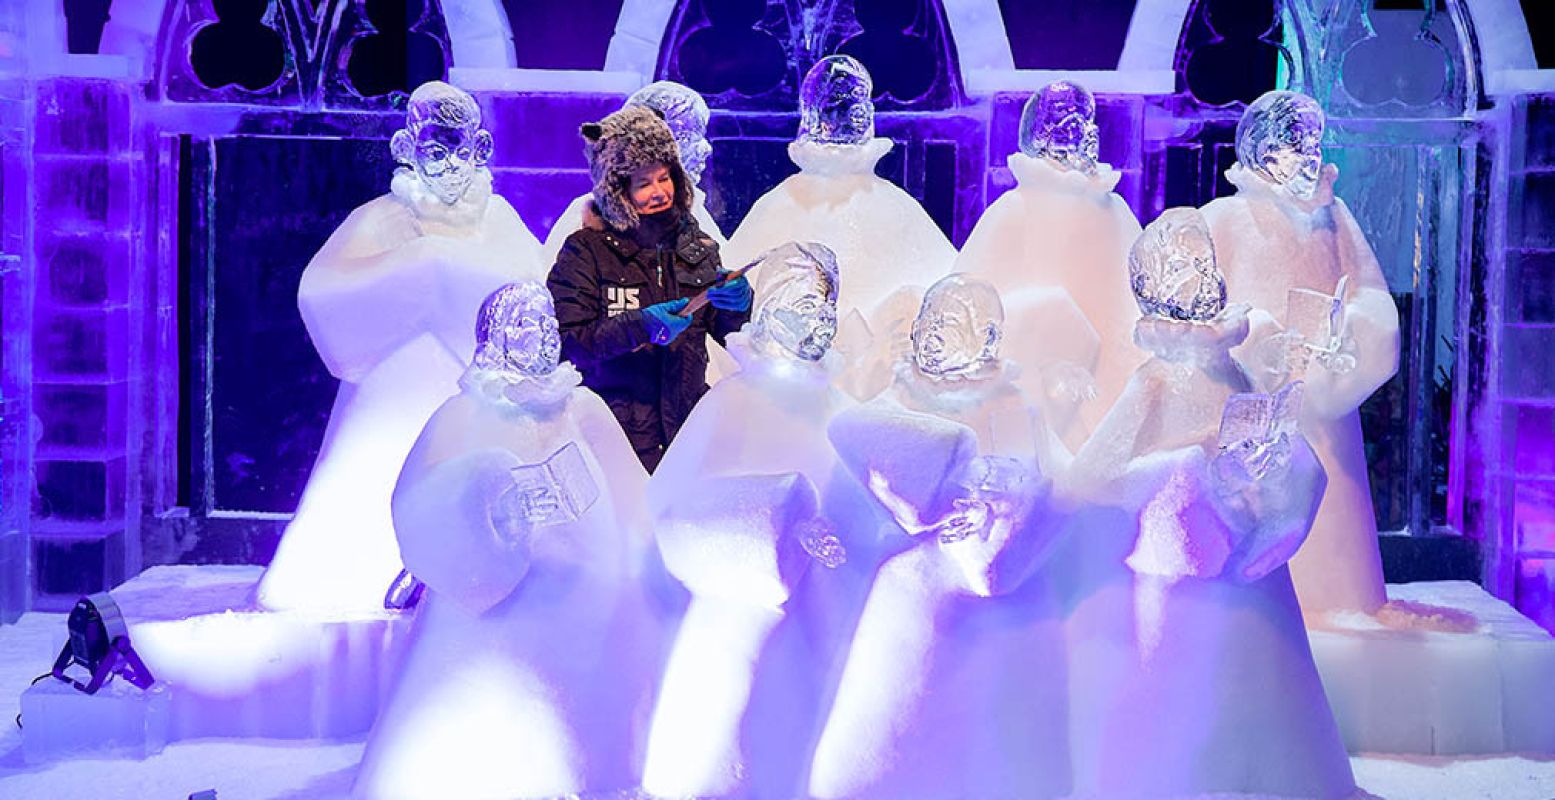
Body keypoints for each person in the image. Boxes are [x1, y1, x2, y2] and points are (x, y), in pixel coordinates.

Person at [547, 105, 751, 471]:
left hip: (686, 436)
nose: (660, 192)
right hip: (611, 442)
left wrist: (736, 305)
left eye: (665, 178)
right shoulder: (584, 252)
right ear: (617, 190)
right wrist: (639, 327)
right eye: (644, 183)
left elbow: (729, 336)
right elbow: (566, 345)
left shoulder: (698, 247)